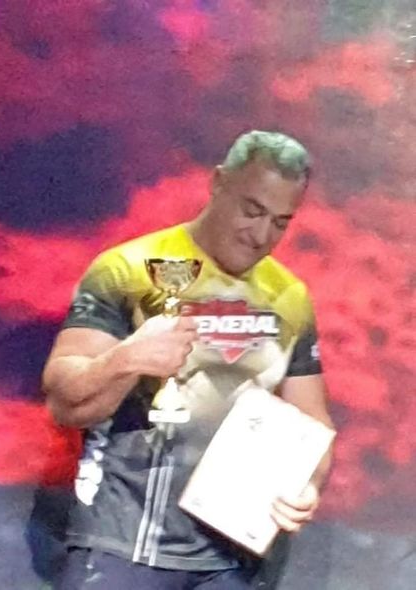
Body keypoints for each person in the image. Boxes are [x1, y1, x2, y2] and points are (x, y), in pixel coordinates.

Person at [43, 130, 335, 589]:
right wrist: (125, 359)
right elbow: (63, 399)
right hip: (122, 543)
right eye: (252, 210)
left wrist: (309, 484)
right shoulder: (126, 269)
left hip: (231, 557)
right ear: (218, 183)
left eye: (280, 222)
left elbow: (313, 421)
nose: (261, 235)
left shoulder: (290, 296)